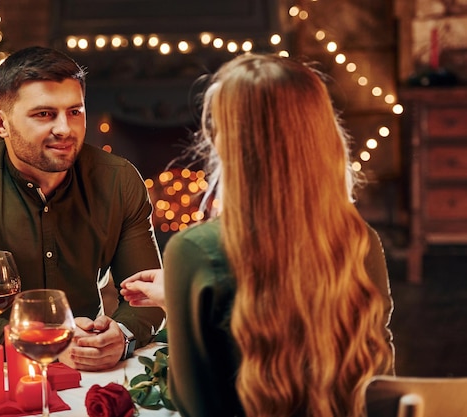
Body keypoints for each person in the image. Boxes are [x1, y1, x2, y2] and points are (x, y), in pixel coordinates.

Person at [121, 53, 395, 417]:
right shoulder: (360, 238)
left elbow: (195, 404)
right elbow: (379, 375)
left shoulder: (193, 250)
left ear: (228, 145)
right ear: (322, 134)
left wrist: (181, 300)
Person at [0, 46, 165, 371]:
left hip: (88, 369)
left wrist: (121, 336)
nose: (65, 128)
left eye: (74, 111)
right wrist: (51, 339)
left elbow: (147, 298)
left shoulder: (118, 180)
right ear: (0, 123)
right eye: (44, 114)